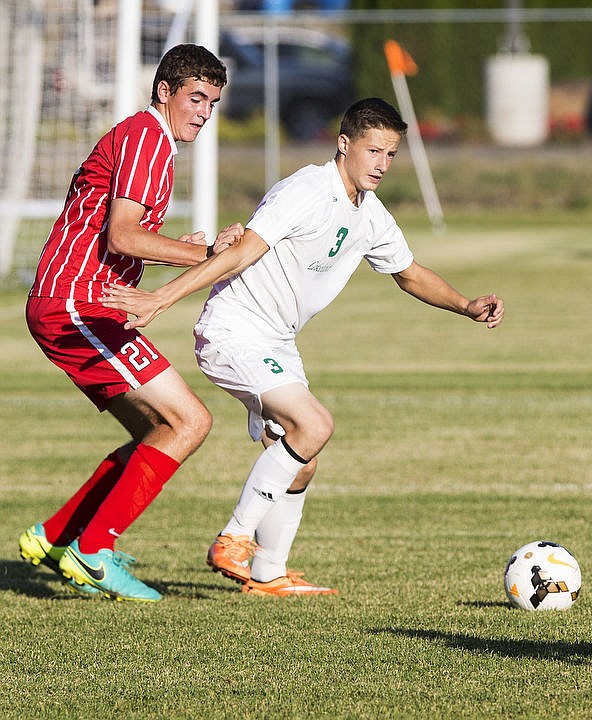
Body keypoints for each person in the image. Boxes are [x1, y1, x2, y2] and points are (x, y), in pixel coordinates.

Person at [100, 97, 505, 597]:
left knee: (301, 456)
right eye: (373, 149)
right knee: (314, 425)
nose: (381, 163)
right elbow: (240, 254)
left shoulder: (371, 215)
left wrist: (466, 305)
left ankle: (269, 573)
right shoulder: (305, 190)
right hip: (235, 330)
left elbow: (411, 274)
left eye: (391, 154)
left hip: (276, 340)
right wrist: (162, 298)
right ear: (344, 144)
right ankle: (234, 537)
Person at [19, 44, 243, 602]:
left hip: (74, 301)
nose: (203, 113)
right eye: (195, 98)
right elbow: (122, 235)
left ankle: (54, 537)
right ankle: (92, 552)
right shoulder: (148, 138)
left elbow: (119, 235)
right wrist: (210, 253)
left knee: (158, 430)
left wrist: (182, 249)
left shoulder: (144, 137)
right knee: (188, 422)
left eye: (212, 103)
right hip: (77, 303)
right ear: (164, 91)